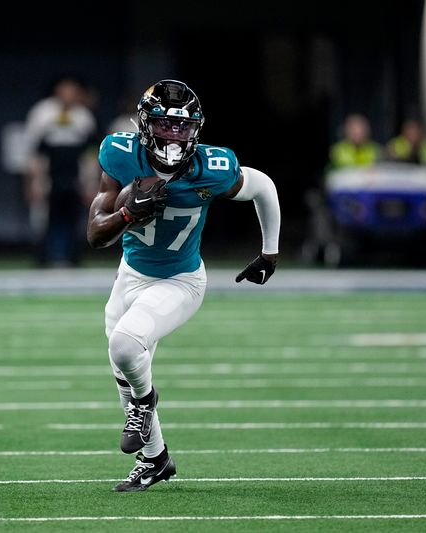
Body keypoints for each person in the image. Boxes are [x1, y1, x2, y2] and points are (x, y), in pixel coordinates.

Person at [86, 80, 281, 492]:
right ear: (144, 125)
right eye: (164, 125)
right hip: (130, 274)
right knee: (124, 365)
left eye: (182, 127)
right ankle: (156, 460)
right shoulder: (120, 156)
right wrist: (125, 214)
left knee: (125, 347)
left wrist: (270, 253)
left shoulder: (212, 168)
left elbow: (263, 186)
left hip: (180, 281)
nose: (174, 135)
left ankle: (145, 401)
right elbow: (94, 235)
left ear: (197, 129)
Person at [24, 76, 98, 266]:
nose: (69, 94)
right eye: (65, 90)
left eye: (73, 90)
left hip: (75, 175)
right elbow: (32, 151)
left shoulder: (84, 116)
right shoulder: (41, 113)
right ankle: (43, 259)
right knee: (43, 219)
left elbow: (91, 152)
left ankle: (74, 258)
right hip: (48, 175)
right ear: (57, 91)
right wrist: (31, 182)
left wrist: (91, 183)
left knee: (75, 218)